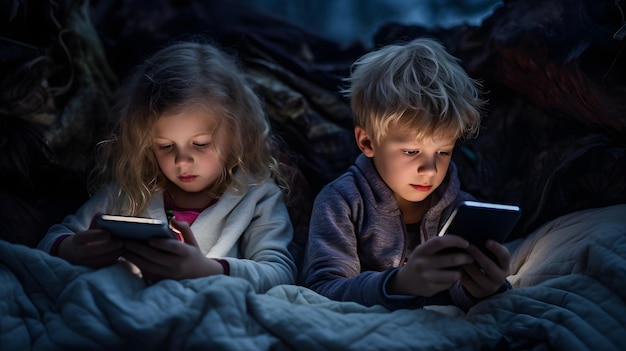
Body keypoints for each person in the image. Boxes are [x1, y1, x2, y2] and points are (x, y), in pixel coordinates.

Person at [37, 41, 297, 293]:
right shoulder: (133, 190)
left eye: (200, 144)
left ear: (237, 136)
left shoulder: (257, 196)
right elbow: (50, 241)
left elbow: (280, 273)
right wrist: (71, 248)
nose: (182, 161)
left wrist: (208, 270)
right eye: (165, 146)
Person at [301, 37, 512, 311]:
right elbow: (321, 290)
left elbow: (459, 294)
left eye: (443, 152)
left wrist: (486, 287)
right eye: (411, 151)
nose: (430, 169)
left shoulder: (461, 210)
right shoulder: (340, 203)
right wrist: (398, 284)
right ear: (367, 142)